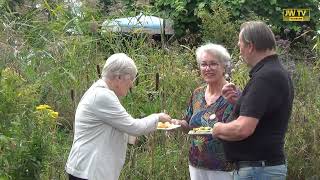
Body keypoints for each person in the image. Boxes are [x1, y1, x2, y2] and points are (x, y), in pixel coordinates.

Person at [65, 53, 172, 180]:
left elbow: (115, 125)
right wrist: (157, 117)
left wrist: (130, 138)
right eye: (131, 78)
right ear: (119, 77)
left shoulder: (99, 92)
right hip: (90, 171)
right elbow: (133, 126)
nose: (132, 84)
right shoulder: (103, 95)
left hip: (86, 170)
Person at [213, 21, 294, 180]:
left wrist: (217, 128)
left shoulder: (265, 77)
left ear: (250, 46)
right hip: (261, 169)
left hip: (258, 171)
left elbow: (243, 129)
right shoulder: (274, 72)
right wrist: (239, 102)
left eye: (240, 45)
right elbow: (264, 115)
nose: (240, 50)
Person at [173, 43, 238, 180]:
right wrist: (178, 123)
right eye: (204, 64)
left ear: (224, 66)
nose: (208, 68)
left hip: (224, 167)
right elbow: (189, 125)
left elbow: (242, 129)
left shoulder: (234, 94)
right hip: (196, 164)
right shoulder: (197, 93)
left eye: (213, 64)